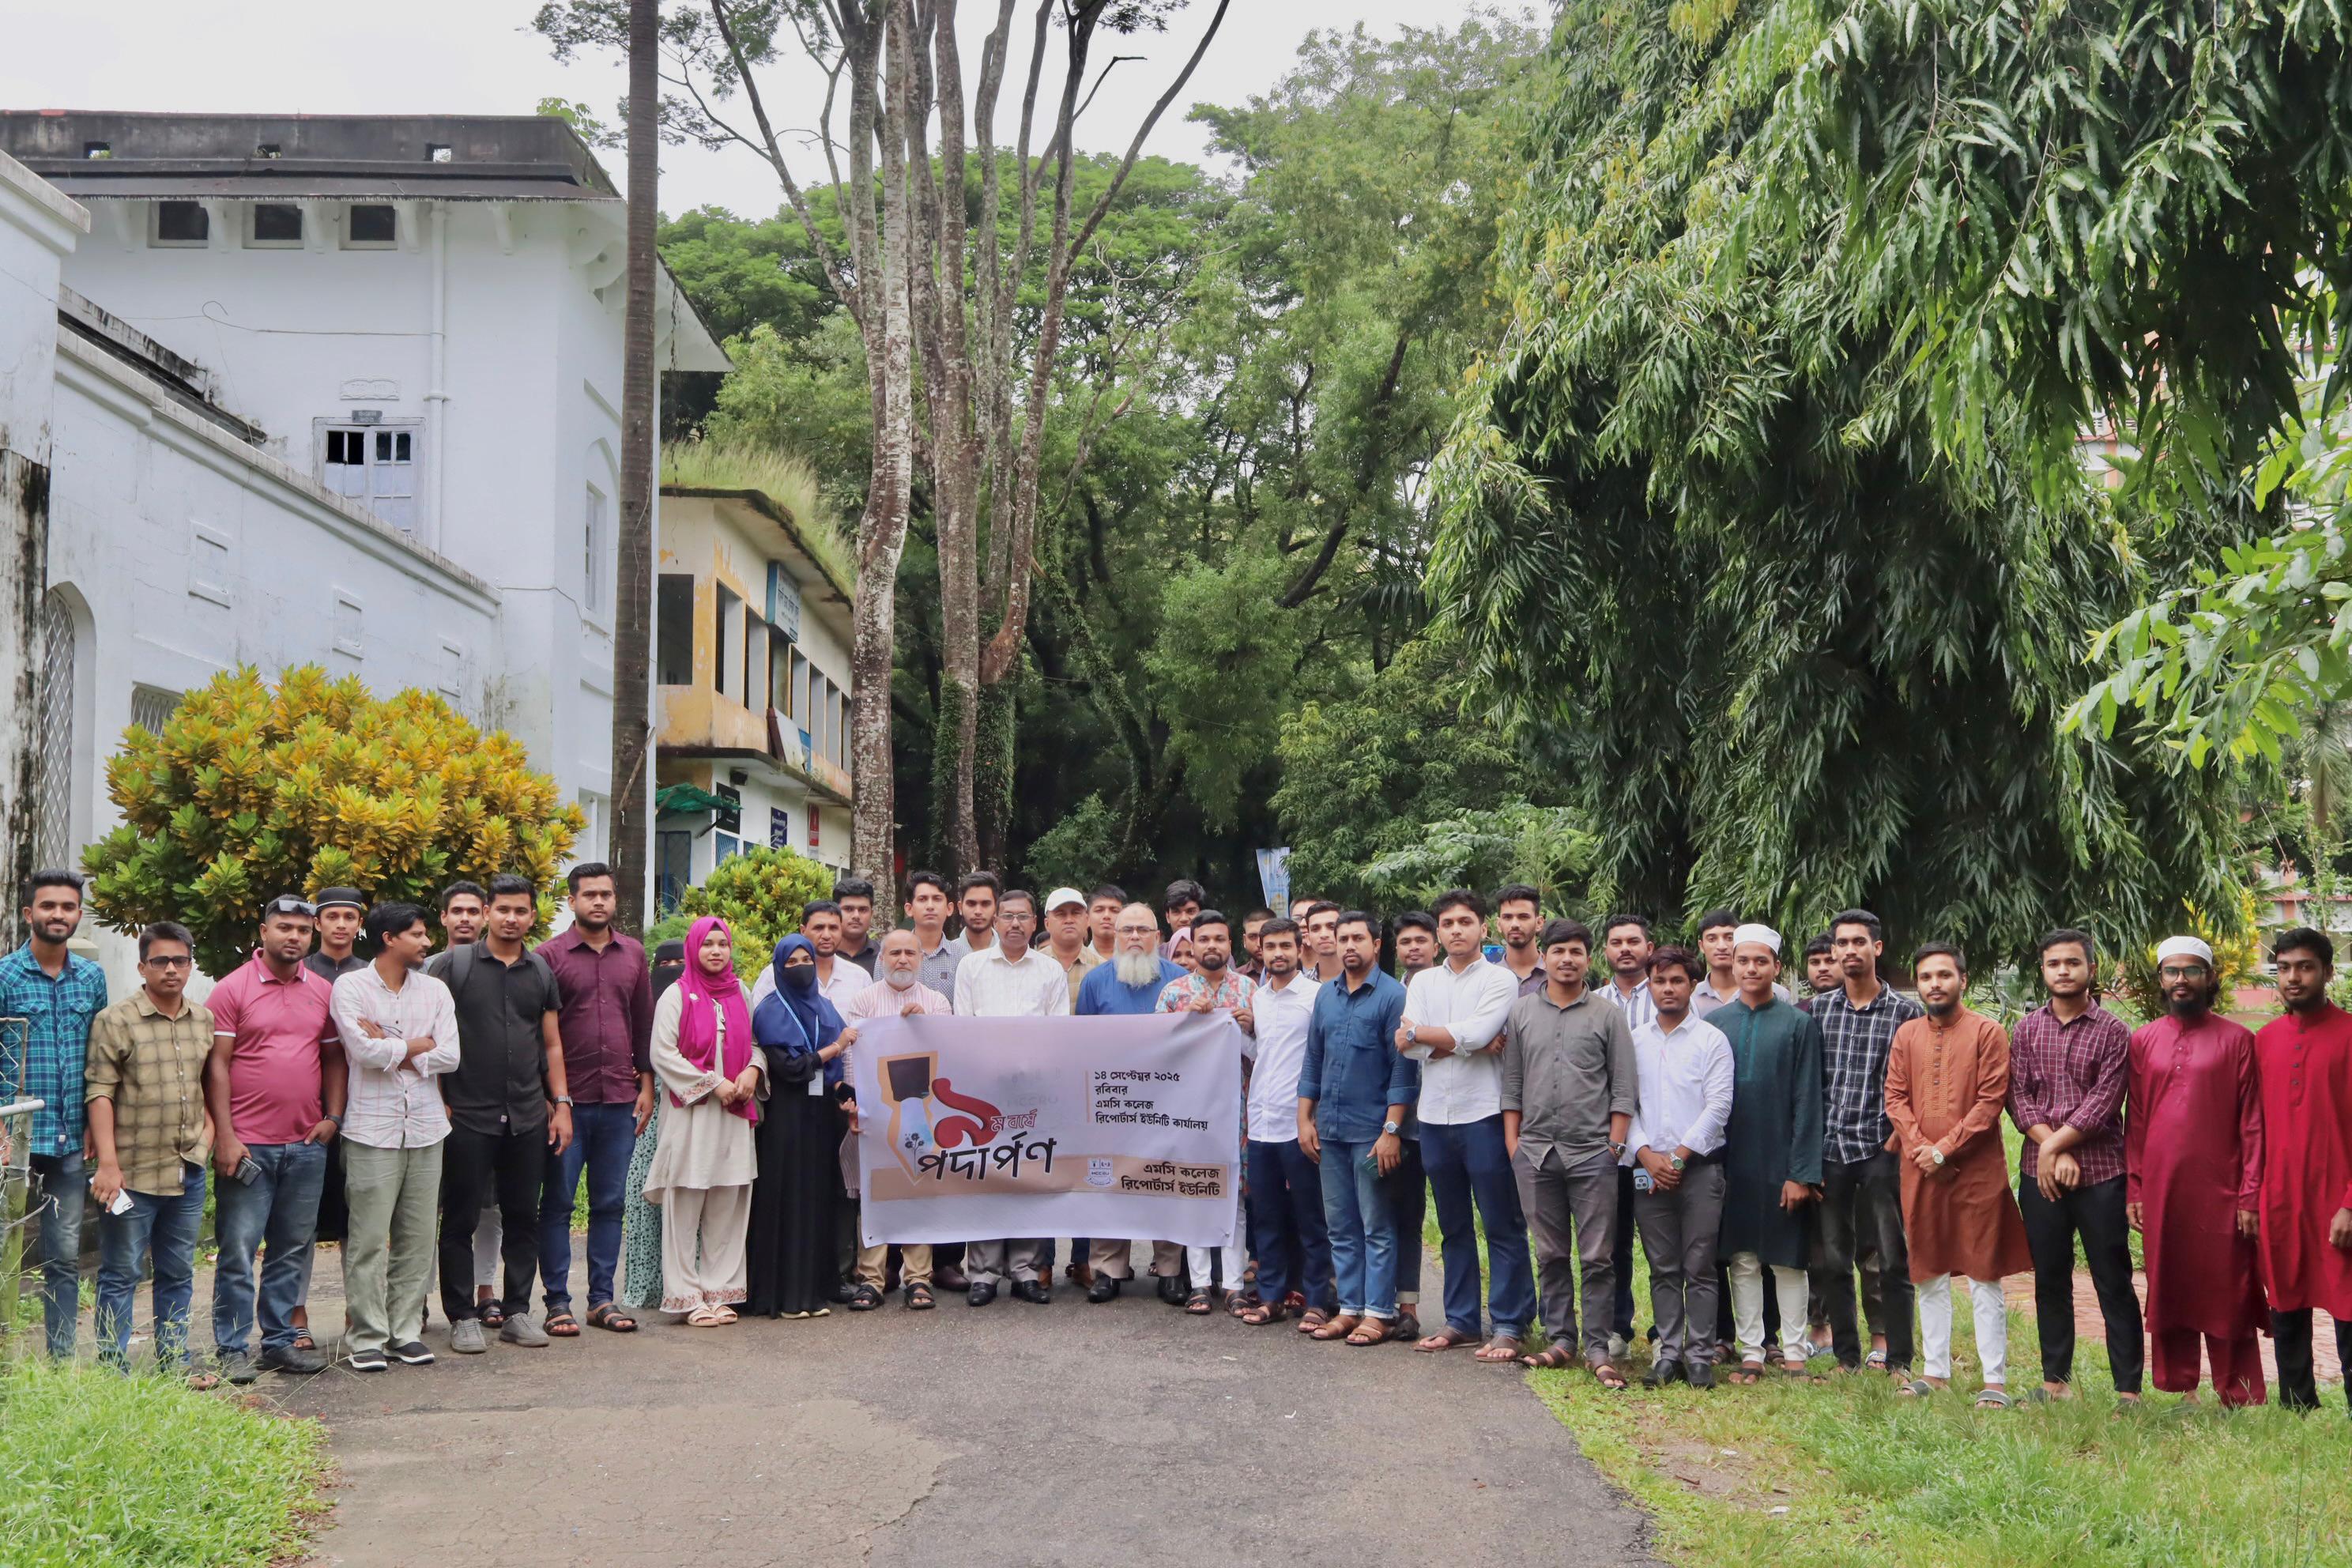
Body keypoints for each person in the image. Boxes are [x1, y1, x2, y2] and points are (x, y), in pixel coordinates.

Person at [426, 873, 573, 1351]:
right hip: (466, 1113)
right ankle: (462, 1316)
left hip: (529, 1114)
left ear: (533, 915)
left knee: (522, 1216)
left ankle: (516, 1312)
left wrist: (561, 1105)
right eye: (503, 909)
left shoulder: (541, 972)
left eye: (522, 911)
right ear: (487, 912)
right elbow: (429, 1032)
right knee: (461, 1217)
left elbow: (551, 1045)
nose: (512, 918)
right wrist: (439, 1096)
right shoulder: (453, 966)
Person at [1885, 944, 2033, 1404]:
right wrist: (1919, 1148)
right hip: (1919, 1170)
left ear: (1962, 980)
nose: (1934, 983)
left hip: (1976, 1172)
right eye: (1926, 976)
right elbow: (1895, 1097)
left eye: (1944, 975)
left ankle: (1994, 1380)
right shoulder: (1907, 1034)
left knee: (1982, 1271)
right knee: (1927, 1269)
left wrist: (1944, 1151)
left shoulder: (1988, 1032)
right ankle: (1936, 1371)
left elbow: (1990, 1103)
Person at [204, 894, 343, 1381]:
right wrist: (224, 1134)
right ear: (263, 932)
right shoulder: (231, 989)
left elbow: (332, 1059)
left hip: (307, 1144)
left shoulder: (322, 990)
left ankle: (280, 1343)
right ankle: (231, 1347)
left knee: (292, 1247)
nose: (294, 937)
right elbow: (216, 1066)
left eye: (303, 930)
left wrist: (334, 1116)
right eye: (284, 927)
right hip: (247, 1146)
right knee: (239, 1249)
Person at [2128, 934, 2266, 1406]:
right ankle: (2179, 1385)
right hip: (2164, 1188)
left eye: (2191, 971)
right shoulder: (2144, 1040)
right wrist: (2136, 1188)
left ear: (2209, 978)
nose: (2181, 980)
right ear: (2161, 981)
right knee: (2170, 1280)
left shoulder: (2238, 1040)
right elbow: (2138, 1119)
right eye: (2172, 972)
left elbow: (2252, 1125)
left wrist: (2250, 1196)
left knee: (2228, 1284)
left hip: (2222, 1187)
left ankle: (2239, 1391)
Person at [2007, 927, 2142, 1404]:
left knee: (2112, 1278)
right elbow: (2018, 1098)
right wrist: (2051, 1150)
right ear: (2043, 970)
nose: (2063, 971)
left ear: (2090, 969)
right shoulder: (2025, 1030)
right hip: (2041, 1174)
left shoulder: (2113, 1032)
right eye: (2053, 964)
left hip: (2102, 1172)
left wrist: (2054, 1146)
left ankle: (2128, 1388)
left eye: (2072, 963)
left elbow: (2106, 1101)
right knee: (2050, 1276)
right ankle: (2055, 1380)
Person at [1402, 888, 1536, 1363]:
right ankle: (1460, 1321)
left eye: (1465, 922)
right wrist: (1454, 1041)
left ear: (1484, 928)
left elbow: (1478, 1033)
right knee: (1454, 1225)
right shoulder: (1421, 984)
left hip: (1485, 1114)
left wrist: (1431, 1037)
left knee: (1502, 1222)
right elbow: (1407, 1045)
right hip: (1434, 1116)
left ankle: (1509, 1323)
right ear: (1438, 933)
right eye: (1448, 924)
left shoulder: (1500, 982)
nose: (1456, 930)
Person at [1503, 918, 1638, 1385]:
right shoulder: (1521, 1013)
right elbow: (1513, 1084)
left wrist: (1614, 1146)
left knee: (1598, 1257)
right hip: (1536, 1154)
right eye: (1558, 951)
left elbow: (1623, 1088)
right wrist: (1513, 1143)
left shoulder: (1606, 1015)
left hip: (1593, 1155)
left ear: (1588, 958)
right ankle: (1561, 1339)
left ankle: (1599, 1347)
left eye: (1576, 952)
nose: (1566, 960)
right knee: (1550, 1253)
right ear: (1544, 956)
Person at [332, 903, 462, 1371]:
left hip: (427, 1128)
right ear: (390, 938)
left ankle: (403, 1332)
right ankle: (366, 1336)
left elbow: (450, 1055)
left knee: (418, 1238)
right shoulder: (350, 986)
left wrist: (393, 1046)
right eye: (418, 934)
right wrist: (415, 1045)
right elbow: (361, 1051)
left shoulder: (436, 991)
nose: (427, 943)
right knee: (367, 1239)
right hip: (371, 1130)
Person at [87, 922, 214, 1382]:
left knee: (178, 1271)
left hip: (187, 1168)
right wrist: (108, 1164)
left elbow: (205, 1084)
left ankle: (174, 1360)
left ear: (190, 965)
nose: (171, 969)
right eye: (159, 960)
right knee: (121, 1273)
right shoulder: (116, 1020)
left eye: (180, 960)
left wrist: (210, 1135)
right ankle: (112, 1368)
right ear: (142, 967)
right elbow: (100, 1092)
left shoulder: (203, 1020)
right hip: (132, 1171)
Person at [536, 862, 655, 1336]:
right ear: (572, 901)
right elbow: (537, 1035)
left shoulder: (633, 954)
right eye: (589, 895)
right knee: (559, 1203)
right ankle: (557, 1302)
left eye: (606, 894)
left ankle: (602, 1300)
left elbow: (642, 1022)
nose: (599, 902)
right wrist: (551, 1100)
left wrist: (646, 1084)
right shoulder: (548, 957)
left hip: (620, 1101)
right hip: (568, 1103)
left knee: (610, 1203)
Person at [0, 871, 109, 1360]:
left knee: (63, 1256)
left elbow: (101, 1059)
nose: (58, 915)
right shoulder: (5, 975)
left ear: (78, 915)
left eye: (68, 907)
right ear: (29, 914)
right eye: (48, 906)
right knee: (5, 1252)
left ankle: (61, 1359)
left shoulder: (91, 977)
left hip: (68, 1140)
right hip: (12, 1139)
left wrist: (93, 1123)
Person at [1809, 908, 1920, 1378]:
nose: (1849, 950)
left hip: (1881, 1148)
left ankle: (1897, 1358)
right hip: (1830, 1150)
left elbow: (1914, 1083)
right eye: (1842, 943)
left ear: (1876, 948)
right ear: (1833, 951)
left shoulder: (1905, 1012)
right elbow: (1810, 1084)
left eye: (1859, 942)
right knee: (1832, 1259)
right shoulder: (1817, 1011)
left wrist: (1899, 1137)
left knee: (1891, 1258)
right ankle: (1846, 1357)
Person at [1298, 911, 1418, 1346]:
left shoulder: (1392, 997)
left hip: (1373, 1134)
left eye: (1357, 938)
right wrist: (1304, 1118)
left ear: (1376, 944)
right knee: (1341, 1226)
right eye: (1342, 937)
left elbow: (1403, 1072)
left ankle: (1379, 1312)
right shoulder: (1326, 996)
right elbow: (1313, 1060)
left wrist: (1392, 1130)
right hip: (1328, 1130)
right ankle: (1349, 1308)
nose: (1349, 945)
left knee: (1377, 1224)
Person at [1714, 924, 1824, 1383]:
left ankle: (1795, 1351)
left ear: (1776, 968)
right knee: (1741, 1258)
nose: (1751, 968)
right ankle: (1752, 1351)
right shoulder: (1715, 1024)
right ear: (1731, 965)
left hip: (1783, 1158)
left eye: (1761, 961)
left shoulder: (1799, 1023)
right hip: (1733, 1159)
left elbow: (1809, 1099)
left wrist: (1801, 1172)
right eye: (1744, 961)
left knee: (1786, 1257)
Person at [645, 916, 766, 1325]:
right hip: (693, 1112)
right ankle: (685, 1296)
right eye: (707, 944)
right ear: (693, 950)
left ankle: (721, 1290)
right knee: (686, 1199)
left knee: (728, 1199)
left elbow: (754, 1043)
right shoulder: (677, 995)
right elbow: (662, 1053)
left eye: (722, 944)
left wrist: (752, 1071)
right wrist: (713, 1083)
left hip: (734, 1112)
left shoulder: (740, 992)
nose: (716, 951)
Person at [953, 888, 1071, 1306]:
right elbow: (961, 1028)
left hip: (1033, 1091)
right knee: (984, 1175)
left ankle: (1025, 1269)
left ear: (1035, 922)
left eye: (1023, 916)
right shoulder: (971, 966)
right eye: (1008, 916)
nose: (1015, 924)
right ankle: (982, 1273)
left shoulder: (1050, 971)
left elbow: (1059, 1032)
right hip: (982, 1090)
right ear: (997, 922)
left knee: (1029, 1176)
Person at [1626, 946, 1732, 1389]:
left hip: (1700, 1170)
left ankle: (1701, 1355)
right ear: (1648, 986)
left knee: (1701, 1266)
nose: (1667, 989)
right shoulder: (1633, 1042)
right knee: (1663, 1266)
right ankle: (1667, 1353)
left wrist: (1678, 1157)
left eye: (1677, 981)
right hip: (1647, 1171)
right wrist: (1647, 1156)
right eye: (1659, 981)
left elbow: (1719, 1105)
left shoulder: (1712, 1040)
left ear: (1692, 985)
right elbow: (1623, 1105)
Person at [2256, 927, 2352, 1415]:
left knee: (2348, 1303)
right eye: (2286, 968)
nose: (2294, 977)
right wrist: (2252, 1197)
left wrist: (2350, 1203)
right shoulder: (2265, 1041)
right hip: (2279, 1198)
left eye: (2306, 967)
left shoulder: (2351, 1034)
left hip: (2337, 1199)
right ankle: (2296, 1405)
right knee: (2286, 1298)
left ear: (2328, 973)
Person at [1076, 904, 1189, 1301]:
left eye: (1144, 929)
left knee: (1166, 1179)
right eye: (1128, 930)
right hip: (1111, 1101)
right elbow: (1082, 1045)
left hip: (1167, 1100)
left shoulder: (1181, 981)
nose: (1136, 937)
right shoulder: (1095, 982)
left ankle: (1171, 1269)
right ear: (1115, 935)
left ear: (1158, 936)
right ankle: (1108, 1269)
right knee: (1107, 1180)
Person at [841, 929, 953, 1310]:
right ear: (882, 960)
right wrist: (855, 1105)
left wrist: (926, 1026)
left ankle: (918, 1278)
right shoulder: (864, 1001)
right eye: (895, 953)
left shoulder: (936, 1002)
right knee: (876, 1192)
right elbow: (852, 1058)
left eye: (910, 953)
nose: (902, 959)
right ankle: (871, 1278)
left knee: (917, 1187)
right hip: (874, 1112)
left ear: (921, 959)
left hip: (921, 1113)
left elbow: (949, 1054)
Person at [745, 936, 854, 1319]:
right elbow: (791, 1070)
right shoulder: (770, 1010)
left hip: (821, 1118)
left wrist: (843, 1090)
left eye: (806, 958)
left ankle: (812, 1293)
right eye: (791, 961)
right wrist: (834, 1048)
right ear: (778, 967)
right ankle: (784, 1297)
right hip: (786, 1120)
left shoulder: (825, 1008)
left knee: (816, 1199)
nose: (801, 966)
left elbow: (831, 1073)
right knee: (786, 1200)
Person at [1156, 910, 1258, 1313]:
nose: (1211, 946)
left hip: (1238, 1109)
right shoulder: (1174, 994)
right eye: (1204, 940)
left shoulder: (1250, 991)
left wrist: (1251, 1027)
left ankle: (1234, 1285)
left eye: (1219, 938)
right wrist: (1184, 1023)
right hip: (1188, 1109)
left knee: (1233, 1196)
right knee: (1193, 1190)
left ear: (1229, 945)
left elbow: (1267, 1055)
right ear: (1191, 946)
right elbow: (1156, 1055)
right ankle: (1199, 1283)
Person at [1236, 917, 1330, 1326]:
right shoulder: (1258, 999)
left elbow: (1322, 1058)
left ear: (1299, 948)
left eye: (1285, 946)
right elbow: (1261, 1053)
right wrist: (1239, 1030)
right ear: (1260, 949)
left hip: (1301, 1123)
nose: (1277, 953)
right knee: (1268, 1214)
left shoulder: (1317, 997)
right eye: (1270, 946)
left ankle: (1316, 1299)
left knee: (1310, 1216)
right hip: (1261, 1122)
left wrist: (1311, 1116)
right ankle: (1271, 1296)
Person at [291, 886, 368, 1352]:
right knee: (299, 1225)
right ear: (317, 923)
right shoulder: (300, 974)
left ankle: (356, 1313)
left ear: (361, 924)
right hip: (305, 1118)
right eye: (332, 916)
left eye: (350, 917)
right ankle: (295, 1314)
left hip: (363, 1119)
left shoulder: (371, 975)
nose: (341, 925)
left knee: (357, 1224)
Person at [438, 880, 505, 1326]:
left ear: (484, 915)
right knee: (430, 1208)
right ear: (442, 918)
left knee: (491, 1206)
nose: (464, 918)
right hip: (438, 1109)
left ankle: (486, 1289)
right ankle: (419, 1300)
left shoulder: (505, 965)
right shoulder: (424, 968)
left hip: (494, 1108)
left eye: (471, 911)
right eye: (455, 911)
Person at [1595, 911, 1657, 1355]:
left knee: (1660, 1245)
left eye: (1633, 941)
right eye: (1616, 942)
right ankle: (1617, 1329)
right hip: (1608, 1140)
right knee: (1612, 1241)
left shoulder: (1671, 995)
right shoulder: (1593, 1001)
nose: (1625, 949)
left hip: (1658, 1138)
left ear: (1648, 948)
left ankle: (1665, 1333)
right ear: (1605, 952)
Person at [619, 940, 689, 1316]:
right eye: (665, 963)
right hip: (645, 1119)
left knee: (685, 1203)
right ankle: (644, 1287)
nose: (673, 969)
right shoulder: (638, 1009)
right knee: (642, 1200)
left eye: (681, 962)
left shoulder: (695, 1004)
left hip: (688, 1114)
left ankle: (682, 1286)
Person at [1384, 910, 1437, 1339]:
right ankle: (1406, 1307)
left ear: (1435, 946)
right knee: (1402, 1216)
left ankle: (1467, 1315)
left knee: (1458, 1224)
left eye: (1422, 940)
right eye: (1406, 942)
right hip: (1401, 1126)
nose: (1413, 947)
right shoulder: (1388, 994)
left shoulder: (1448, 991)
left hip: (1449, 1122)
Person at [1042, 887, 1103, 1007]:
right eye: (1061, 914)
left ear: (1087, 920)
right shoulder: (1034, 966)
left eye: (1076, 913)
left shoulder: (1102, 969)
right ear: (1047, 924)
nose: (1069, 920)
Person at [906, 871, 963, 999]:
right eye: (922, 899)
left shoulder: (962, 958)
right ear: (909, 909)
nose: (930, 906)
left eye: (937, 899)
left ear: (949, 909)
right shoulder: (890, 955)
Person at [1495, 884, 1545, 992]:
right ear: (1499, 924)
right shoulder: (1489, 978)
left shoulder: (1557, 975)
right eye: (1507, 917)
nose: (1515, 924)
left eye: (1523, 917)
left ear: (1539, 923)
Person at [945, 871, 1003, 960]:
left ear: (996, 908)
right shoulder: (946, 956)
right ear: (960, 907)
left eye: (985, 904)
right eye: (971, 904)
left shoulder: (1010, 953)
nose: (978, 911)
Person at [832, 877, 880, 974]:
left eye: (863, 910)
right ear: (835, 912)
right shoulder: (822, 955)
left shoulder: (883, 957)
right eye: (848, 909)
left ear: (872, 914)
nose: (856, 916)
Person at [1302, 902, 1344, 983]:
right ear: (1308, 938)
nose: (1324, 935)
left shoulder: (1363, 980)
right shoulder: (1302, 986)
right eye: (1315, 929)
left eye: (1331, 927)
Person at [1086, 884, 1125, 962]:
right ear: (1087, 919)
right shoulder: (1077, 961)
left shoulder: (1136, 959)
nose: (1106, 916)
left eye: (1114, 911)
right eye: (1099, 910)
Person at [1162, 880, 1204, 950]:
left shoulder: (1215, 955)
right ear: (1168, 916)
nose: (1184, 919)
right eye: (1176, 912)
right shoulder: (1156, 958)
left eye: (1190, 911)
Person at [1238, 907, 1274, 982]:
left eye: (1265, 935)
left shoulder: (1293, 975)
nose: (1259, 943)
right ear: (1245, 940)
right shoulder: (1236, 980)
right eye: (1253, 937)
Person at [1800, 936, 1838, 1004]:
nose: (1822, 968)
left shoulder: (1860, 1009)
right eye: (1815, 962)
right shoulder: (1796, 1013)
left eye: (1831, 961)